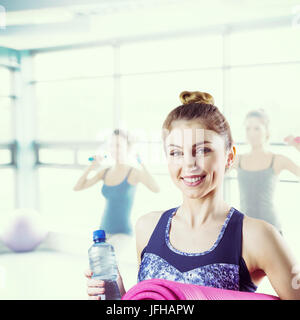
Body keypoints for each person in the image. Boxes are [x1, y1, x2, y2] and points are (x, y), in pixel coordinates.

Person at [85, 92, 300, 300]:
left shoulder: (258, 236)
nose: (189, 163)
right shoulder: (147, 228)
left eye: (203, 150)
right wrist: (121, 295)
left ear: (229, 156)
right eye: (176, 152)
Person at [74, 129, 160, 236]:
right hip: (103, 230)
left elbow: (156, 188)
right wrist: (91, 166)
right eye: (112, 145)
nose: (114, 149)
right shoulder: (105, 172)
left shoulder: (133, 173)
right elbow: (77, 187)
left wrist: (141, 163)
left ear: (128, 148)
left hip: (123, 233)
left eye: (118, 145)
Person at [231, 109, 300, 233]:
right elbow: (212, 173)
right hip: (245, 229)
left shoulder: (277, 159)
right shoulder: (236, 160)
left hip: (271, 229)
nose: (251, 133)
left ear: (267, 131)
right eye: (248, 129)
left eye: (256, 128)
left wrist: (298, 146)